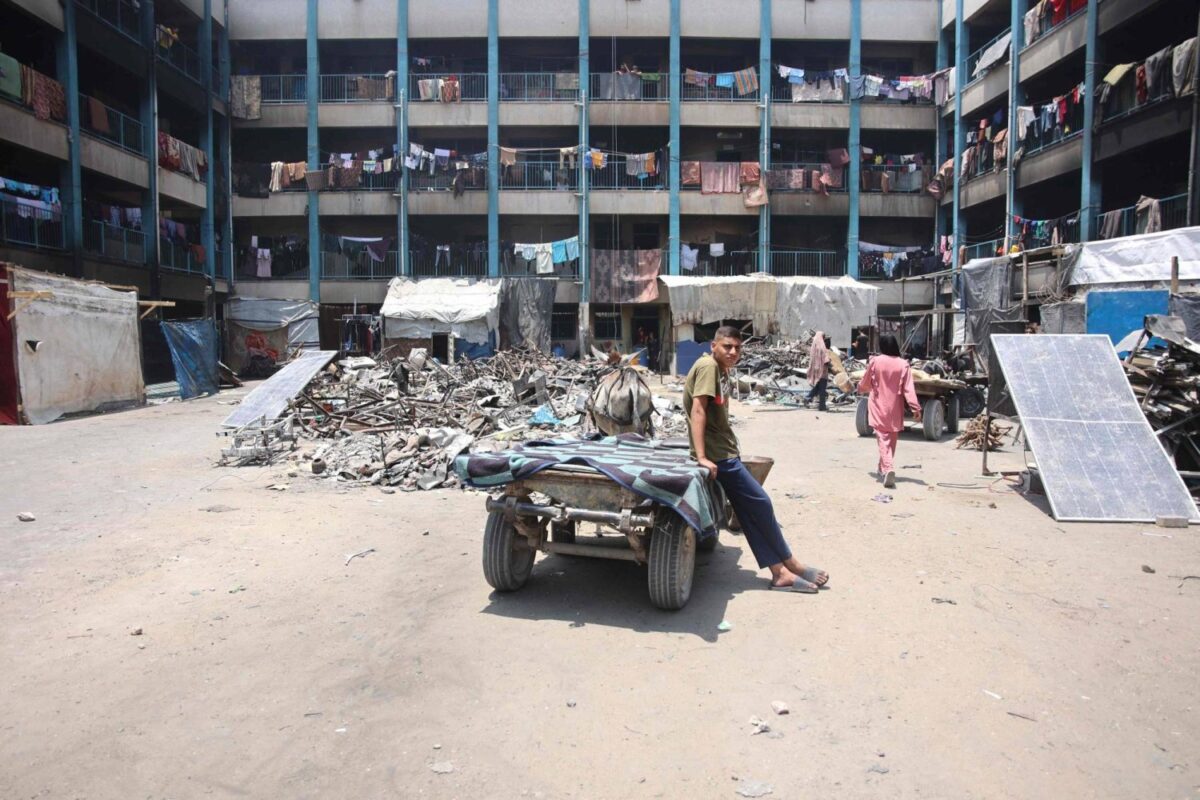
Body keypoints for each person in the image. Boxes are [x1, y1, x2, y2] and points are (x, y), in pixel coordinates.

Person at [684, 326, 829, 593]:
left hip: (724, 451)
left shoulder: (720, 369)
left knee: (748, 512)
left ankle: (779, 572)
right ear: (713, 346)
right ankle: (791, 563)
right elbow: (698, 409)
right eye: (727, 346)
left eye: (738, 348)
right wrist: (701, 456)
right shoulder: (708, 367)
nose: (733, 352)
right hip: (719, 456)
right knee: (761, 503)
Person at [857, 334, 922, 489]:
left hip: (878, 405)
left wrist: (859, 388)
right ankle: (882, 468)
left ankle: (888, 468)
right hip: (895, 407)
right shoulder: (903, 364)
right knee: (891, 440)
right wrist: (915, 407)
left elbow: (866, 382)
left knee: (882, 439)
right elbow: (909, 388)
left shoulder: (875, 361)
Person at [803, 331, 831, 411]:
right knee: (822, 388)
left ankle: (807, 398)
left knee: (818, 387)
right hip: (822, 370)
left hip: (816, 369)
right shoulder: (822, 346)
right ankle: (822, 406)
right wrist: (830, 364)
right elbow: (825, 359)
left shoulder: (814, 346)